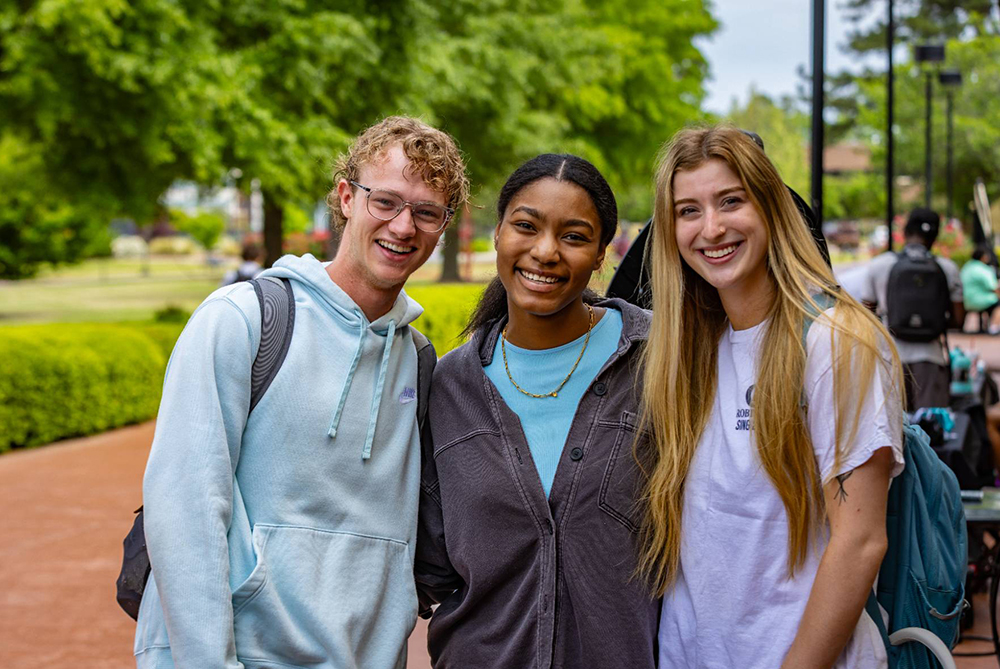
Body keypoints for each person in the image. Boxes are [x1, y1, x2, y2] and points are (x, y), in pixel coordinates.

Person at [134, 116, 469, 669]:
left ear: (443, 226)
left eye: (426, 212)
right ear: (346, 198)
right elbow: (186, 509)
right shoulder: (243, 320)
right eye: (385, 201)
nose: (403, 226)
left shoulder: (418, 360)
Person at [641, 125, 905, 668]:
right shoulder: (686, 347)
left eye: (730, 201)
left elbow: (860, 543)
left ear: (770, 207)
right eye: (688, 210)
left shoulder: (836, 340)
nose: (711, 228)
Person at [415, 154, 659, 667]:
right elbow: (429, 567)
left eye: (573, 236)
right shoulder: (448, 387)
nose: (545, 251)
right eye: (526, 226)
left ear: (600, 255)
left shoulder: (656, 360)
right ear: (498, 235)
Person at [861, 208, 964, 410]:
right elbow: (958, 320)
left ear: (906, 232)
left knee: (891, 430)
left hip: (889, 357)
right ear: (935, 237)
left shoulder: (879, 265)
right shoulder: (948, 268)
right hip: (931, 359)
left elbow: (866, 314)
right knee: (932, 431)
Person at [961, 245, 1000, 334]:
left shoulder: (966, 267)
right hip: (980, 301)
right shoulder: (983, 269)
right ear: (983, 257)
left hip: (966, 301)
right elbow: (994, 287)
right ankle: (994, 328)